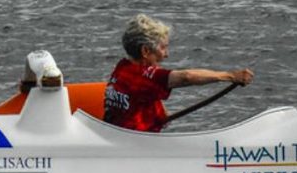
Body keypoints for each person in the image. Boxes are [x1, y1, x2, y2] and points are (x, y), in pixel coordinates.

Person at [103, 14, 254, 132]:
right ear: (145, 51)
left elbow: (142, 92)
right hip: (133, 146)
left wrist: (160, 113)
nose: (166, 54)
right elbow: (186, 77)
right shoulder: (143, 75)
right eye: (163, 48)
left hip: (120, 136)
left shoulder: (122, 68)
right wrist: (231, 76)